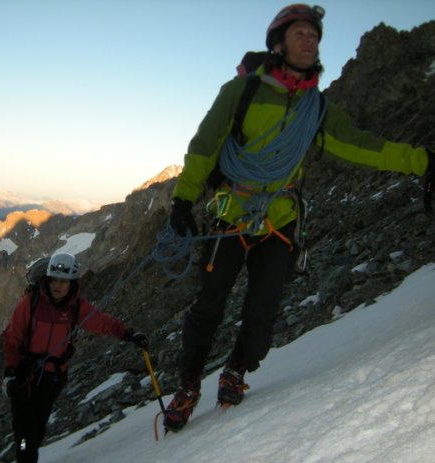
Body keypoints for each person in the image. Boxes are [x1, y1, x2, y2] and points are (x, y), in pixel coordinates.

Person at [163, 4, 434, 432]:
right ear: (278, 43)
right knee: (208, 306)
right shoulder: (241, 92)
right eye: (301, 34)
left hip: (281, 219)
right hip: (232, 215)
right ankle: (189, 383)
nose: (310, 41)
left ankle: (237, 369)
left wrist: (421, 162)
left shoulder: (318, 108)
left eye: (315, 35)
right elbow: (204, 146)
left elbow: (362, 145)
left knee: (264, 307)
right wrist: (182, 202)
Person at [2, 252, 147, 463]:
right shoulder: (31, 303)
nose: (58, 286)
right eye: (54, 280)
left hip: (52, 377)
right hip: (25, 375)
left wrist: (128, 333)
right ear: (47, 280)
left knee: (37, 424)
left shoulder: (76, 308)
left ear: (71, 284)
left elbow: (102, 322)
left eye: (63, 281)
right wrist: (11, 370)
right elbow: (12, 337)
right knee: (23, 427)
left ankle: (27, 460)